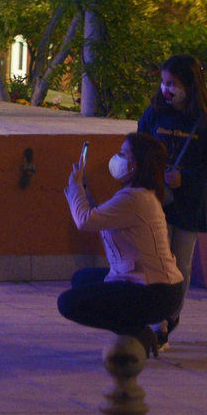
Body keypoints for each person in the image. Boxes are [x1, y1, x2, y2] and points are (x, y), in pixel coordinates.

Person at [58, 132, 186, 359]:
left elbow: (85, 221)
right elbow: (100, 218)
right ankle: (134, 327)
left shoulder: (134, 199)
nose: (117, 159)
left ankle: (135, 330)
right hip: (150, 283)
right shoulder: (136, 195)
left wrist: (75, 186)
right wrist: (85, 189)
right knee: (82, 279)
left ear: (139, 164)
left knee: (69, 303)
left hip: (155, 292)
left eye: (124, 154)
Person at [136, 55, 207, 350]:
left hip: (188, 202)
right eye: (163, 82)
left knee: (180, 263)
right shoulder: (155, 113)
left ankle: (170, 317)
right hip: (157, 201)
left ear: (189, 85)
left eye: (172, 83)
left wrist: (186, 177)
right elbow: (139, 145)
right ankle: (156, 321)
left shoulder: (206, 121)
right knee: (156, 259)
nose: (166, 89)